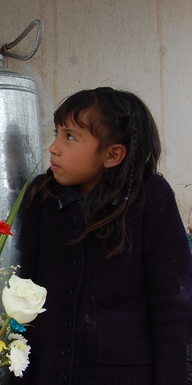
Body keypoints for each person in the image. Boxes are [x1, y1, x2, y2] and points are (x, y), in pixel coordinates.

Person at [15, 87, 192, 384]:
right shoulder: (43, 196)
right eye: (57, 133)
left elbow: (173, 301)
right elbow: (24, 286)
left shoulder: (150, 198)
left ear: (112, 155)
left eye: (70, 137)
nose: (54, 147)